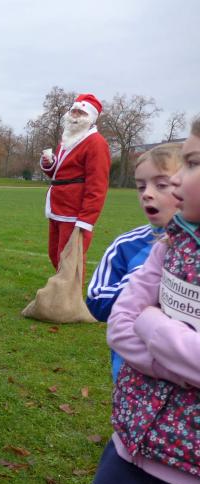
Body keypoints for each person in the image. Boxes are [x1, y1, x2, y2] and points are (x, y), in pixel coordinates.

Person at [68, 118, 200, 484]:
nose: (167, 187)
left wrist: (152, 322)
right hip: (132, 439)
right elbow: (115, 318)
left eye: (191, 164)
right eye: (143, 185)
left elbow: (138, 318)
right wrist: (175, 358)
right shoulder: (163, 246)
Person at [86, 143, 182, 381]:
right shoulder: (126, 245)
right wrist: (141, 279)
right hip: (133, 378)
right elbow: (96, 302)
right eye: (141, 186)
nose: (147, 193)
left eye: (161, 185)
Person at [40, 93, 111, 271]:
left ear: (91, 117)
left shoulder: (96, 143)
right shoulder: (67, 139)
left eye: (81, 112)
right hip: (57, 207)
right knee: (55, 255)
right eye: (74, 111)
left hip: (74, 211)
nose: (75, 115)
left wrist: (86, 219)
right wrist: (49, 164)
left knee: (70, 260)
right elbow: (60, 173)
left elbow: (98, 185)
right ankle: (61, 287)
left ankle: (70, 290)